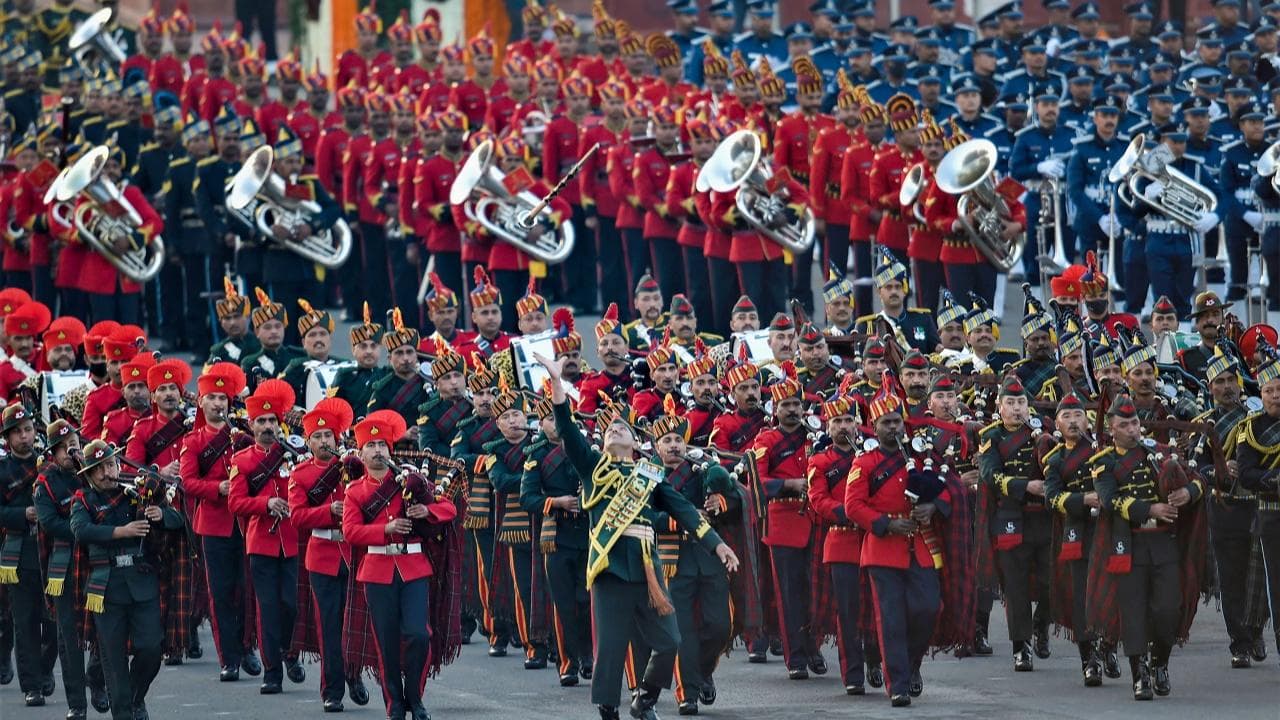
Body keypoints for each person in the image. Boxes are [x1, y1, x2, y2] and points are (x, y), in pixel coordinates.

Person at [535, 350, 738, 720]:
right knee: (612, 646)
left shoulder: (650, 475)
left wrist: (718, 544)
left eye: (622, 429)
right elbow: (566, 429)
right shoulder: (592, 467)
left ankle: (645, 698)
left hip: (648, 568)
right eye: (609, 430)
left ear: (635, 442)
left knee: (669, 641)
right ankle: (608, 706)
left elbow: (684, 510)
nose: (615, 430)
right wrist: (557, 383)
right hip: (610, 566)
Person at [342, 409, 460, 720]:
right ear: (360, 453)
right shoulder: (355, 491)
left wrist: (427, 511)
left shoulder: (410, 480)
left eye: (382, 444)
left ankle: (415, 697)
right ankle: (394, 702)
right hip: (377, 570)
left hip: (413, 567)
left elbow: (448, 507)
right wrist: (386, 529)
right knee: (387, 641)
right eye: (370, 445)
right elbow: (351, 532)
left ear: (390, 449)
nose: (377, 450)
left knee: (419, 634)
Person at [1093, 393, 1207, 700]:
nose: (1132, 429)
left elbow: (1199, 480)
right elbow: (1110, 500)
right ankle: (1139, 672)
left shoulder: (1159, 452)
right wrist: (1149, 509)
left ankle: (1160, 662)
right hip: (1128, 543)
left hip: (1163, 542)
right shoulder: (1103, 462)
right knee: (1133, 610)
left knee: (1168, 608)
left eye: (1134, 423)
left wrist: (1188, 492)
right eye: (1124, 424)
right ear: (1112, 429)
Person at [845, 374, 948, 706]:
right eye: (886, 423)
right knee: (890, 619)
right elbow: (853, 506)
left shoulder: (920, 459)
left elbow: (946, 488)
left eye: (897, 422)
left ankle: (912, 663)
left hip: (919, 547)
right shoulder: (865, 463)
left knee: (928, 608)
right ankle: (898, 684)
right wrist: (886, 524)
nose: (893, 428)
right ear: (874, 428)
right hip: (882, 550)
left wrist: (933, 507)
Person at [71, 438, 185, 720]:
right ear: (89, 474)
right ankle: (123, 711)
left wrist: (160, 515)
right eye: (99, 468)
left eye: (110, 464)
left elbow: (178, 521)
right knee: (113, 660)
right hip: (105, 586)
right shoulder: (82, 499)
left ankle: (135, 697)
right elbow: (81, 531)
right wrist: (122, 532)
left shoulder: (136, 491)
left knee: (151, 649)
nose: (107, 472)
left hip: (142, 581)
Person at [286, 397, 370, 711]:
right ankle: (332, 690)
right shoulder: (301, 474)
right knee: (330, 626)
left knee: (356, 622)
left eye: (328, 436)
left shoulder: (354, 465)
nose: (324, 442)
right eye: (317, 437)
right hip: (323, 556)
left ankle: (354, 675)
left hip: (355, 552)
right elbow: (297, 516)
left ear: (337, 439)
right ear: (308, 442)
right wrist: (328, 511)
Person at [227, 379, 305, 694]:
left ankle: (288, 651)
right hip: (261, 543)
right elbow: (235, 503)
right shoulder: (242, 460)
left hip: (291, 540)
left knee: (291, 605)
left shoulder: (294, 454)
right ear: (251, 425)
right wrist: (265, 503)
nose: (268, 426)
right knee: (268, 607)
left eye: (273, 420)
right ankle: (272, 672)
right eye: (261, 421)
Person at [33, 419, 110, 718]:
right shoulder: (45, 483)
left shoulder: (93, 473)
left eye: (74, 445)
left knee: (106, 629)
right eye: (63, 448)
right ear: (53, 453)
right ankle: (76, 704)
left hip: (97, 561)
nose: (71, 451)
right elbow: (50, 523)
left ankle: (97, 681)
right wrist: (85, 528)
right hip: (65, 565)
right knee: (69, 639)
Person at [807, 388, 882, 695]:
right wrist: (849, 512)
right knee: (848, 611)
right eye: (836, 421)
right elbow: (818, 499)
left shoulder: (872, 457)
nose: (843, 426)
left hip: (873, 539)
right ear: (828, 426)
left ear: (857, 424)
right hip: (841, 541)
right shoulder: (820, 461)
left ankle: (875, 659)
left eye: (848, 420)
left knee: (877, 606)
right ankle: (852, 673)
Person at [978, 376, 1053, 671]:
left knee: (1050, 580)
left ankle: (1042, 622)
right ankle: (1021, 647)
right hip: (1010, 516)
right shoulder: (991, 436)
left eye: (1021, 402)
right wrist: (1025, 486)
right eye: (1010, 403)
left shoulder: (1043, 431)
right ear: (1000, 407)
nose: (1017, 408)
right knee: (1015, 585)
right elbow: (990, 475)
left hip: (1043, 517)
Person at [0, 403, 56, 706]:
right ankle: (31, 685)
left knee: (55, 623)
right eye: (17, 432)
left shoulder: (49, 464)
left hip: (51, 552)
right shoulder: (2, 470)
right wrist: (23, 514)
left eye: (28, 430)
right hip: (18, 552)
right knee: (25, 622)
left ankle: (46, 668)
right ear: (7, 437)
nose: (24, 436)